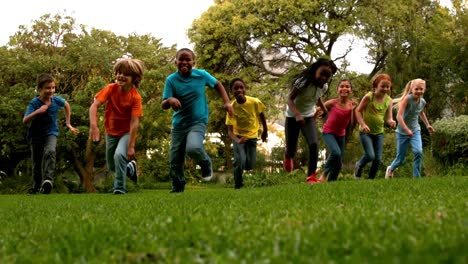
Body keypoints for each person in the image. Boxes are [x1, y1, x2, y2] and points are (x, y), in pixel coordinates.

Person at [161, 48, 234, 193]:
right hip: (179, 125)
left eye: (188, 59)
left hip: (197, 121)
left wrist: (227, 103)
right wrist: (170, 99)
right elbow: (163, 104)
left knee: (193, 147)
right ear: (175, 61)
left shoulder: (201, 75)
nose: (184, 62)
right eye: (181, 59)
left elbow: (218, 84)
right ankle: (178, 187)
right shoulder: (171, 80)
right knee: (175, 159)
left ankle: (206, 163)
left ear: (193, 62)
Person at [89, 58, 144, 194]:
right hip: (110, 131)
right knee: (112, 165)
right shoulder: (110, 89)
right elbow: (94, 106)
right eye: (119, 72)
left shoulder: (135, 97)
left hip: (126, 132)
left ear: (134, 78)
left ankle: (119, 187)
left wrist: (131, 145)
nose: (120, 76)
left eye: (125, 74)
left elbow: (134, 122)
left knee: (119, 155)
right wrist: (94, 126)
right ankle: (130, 168)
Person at [283, 58, 337, 183]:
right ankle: (287, 155)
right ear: (315, 70)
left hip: (308, 116)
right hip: (292, 117)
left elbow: (316, 98)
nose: (324, 78)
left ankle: (310, 177)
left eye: (327, 76)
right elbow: (290, 99)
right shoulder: (302, 82)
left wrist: (325, 110)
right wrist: (297, 114)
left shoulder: (323, 87)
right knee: (292, 150)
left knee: (314, 144)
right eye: (322, 74)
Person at [23, 73, 79, 194]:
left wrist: (68, 123)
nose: (51, 90)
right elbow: (25, 120)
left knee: (50, 151)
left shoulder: (56, 100)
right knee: (36, 163)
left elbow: (66, 105)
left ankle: (47, 180)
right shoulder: (34, 103)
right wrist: (38, 111)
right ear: (40, 89)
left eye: (53, 87)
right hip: (35, 135)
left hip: (51, 132)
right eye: (48, 88)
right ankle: (36, 187)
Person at [386, 79, 435, 178]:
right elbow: (399, 116)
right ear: (411, 89)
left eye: (421, 89)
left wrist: (427, 124)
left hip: (415, 130)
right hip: (402, 132)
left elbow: (421, 112)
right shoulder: (407, 99)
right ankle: (390, 168)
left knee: (418, 152)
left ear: (424, 90)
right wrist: (406, 129)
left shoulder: (423, 102)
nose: (419, 91)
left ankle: (416, 177)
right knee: (400, 158)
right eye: (416, 89)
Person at [225, 78, 268, 189]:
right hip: (238, 136)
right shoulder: (232, 108)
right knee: (239, 160)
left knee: (249, 165)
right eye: (235, 88)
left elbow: (262, 115)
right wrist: (238, 140)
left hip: (252, 137)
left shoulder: (254, 102)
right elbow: (230, 131)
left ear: (245, 89)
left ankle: (241, 166)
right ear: (231, 91)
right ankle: (238, 185)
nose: (239, 90)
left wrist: (265, 131)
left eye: (241, 87)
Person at [354, 73, 396, 179]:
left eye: (387, 86)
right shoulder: (369, 97)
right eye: (383, 86)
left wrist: (391, 121)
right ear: (376, 86)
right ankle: (359, 165)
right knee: (370, 155)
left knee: (377, 159)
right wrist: (363, 124)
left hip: (379, 133)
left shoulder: (389, 100)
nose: (385, 88)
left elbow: (388, 117)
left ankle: (371, 180)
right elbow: (357, 111)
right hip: (365, 132)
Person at [315, 79, 356, 183]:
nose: (344, 88)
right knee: (336, 153)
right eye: (342, 86)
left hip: (341, 134)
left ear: (351, 90)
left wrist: (355, 109)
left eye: (347, 86)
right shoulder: (332, 103)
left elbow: (352, 122)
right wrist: (312, 118)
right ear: (337, 90)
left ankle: (331, 183)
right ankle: (324, 174)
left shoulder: (352, 105)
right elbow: (318, 109)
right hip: (328, 132)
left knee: (338, 163)